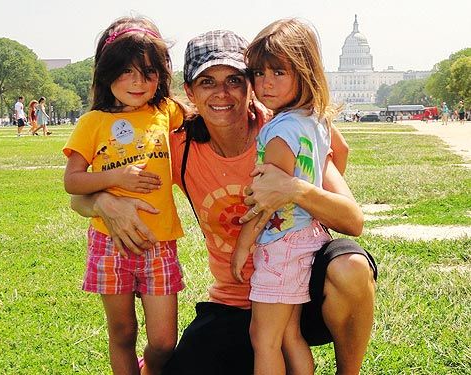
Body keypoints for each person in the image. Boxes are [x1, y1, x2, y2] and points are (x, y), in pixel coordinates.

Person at [72, 29, 377, 375]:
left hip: (299, 288)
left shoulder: (282, 132)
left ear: (249, 87)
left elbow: (352, 220)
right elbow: (78, 199)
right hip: (234, 302)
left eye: (234, 79)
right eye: (207, 82)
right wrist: (104, 205)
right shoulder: (179, 146)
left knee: (350, 266)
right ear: (189, 92)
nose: (222, 93)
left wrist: (294, 189)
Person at [63, 16, 186, 375]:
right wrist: (116, 178)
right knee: (123, 333)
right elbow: (72, 182)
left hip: (159, 243)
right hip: (108, 241)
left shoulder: (166, 112)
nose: (138, 82)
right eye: (127, 71)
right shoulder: (93, 122)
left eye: (148, 73)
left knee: (164, 341)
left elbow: (198, 115)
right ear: (107, 73)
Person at [230, 19, 345, 375]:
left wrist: (243, 245)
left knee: (263, 338)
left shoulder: (278, 131)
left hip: (280, 244)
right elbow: (341, 154)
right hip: (307, 238)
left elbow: (267, 200)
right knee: (290, 336)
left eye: (278, 72)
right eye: (257, 73)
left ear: (304, 72)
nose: (265, 83)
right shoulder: (315, 120)